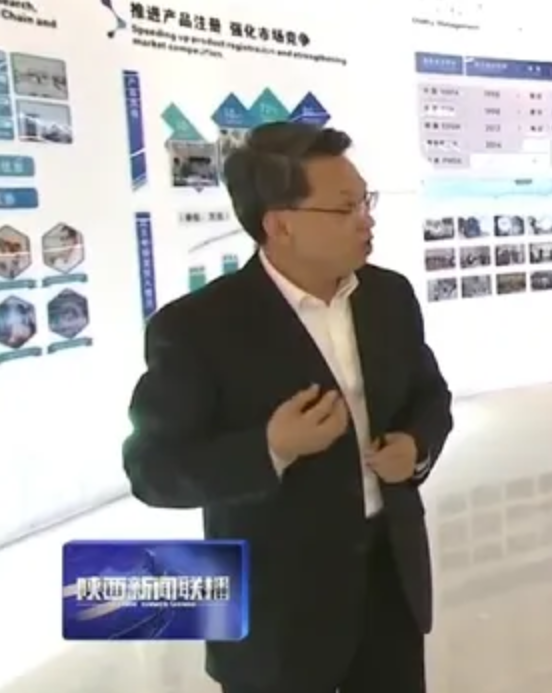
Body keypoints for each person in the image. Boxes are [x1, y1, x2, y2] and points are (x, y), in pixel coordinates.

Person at [122, 121, 453, 693]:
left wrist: (417, 448)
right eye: (345, 207)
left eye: (366, 201)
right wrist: (270, 449)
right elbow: (152, 470)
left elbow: (430, 396)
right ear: (280, 225)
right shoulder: (197, 328)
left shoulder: (389, 296)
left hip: (388, 582)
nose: (366, 220)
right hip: (275, 609)